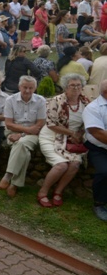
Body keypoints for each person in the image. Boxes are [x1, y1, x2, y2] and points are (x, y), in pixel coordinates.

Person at [37, 74, 91, 208]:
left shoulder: (86, 102)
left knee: (75, 163)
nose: (76, 88)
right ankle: (43, 192)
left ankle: (58, 192)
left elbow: (89, 123)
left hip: (71, 140)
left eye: (78, 85)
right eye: (72, 85)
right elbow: (51, 124)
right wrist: (72, 133)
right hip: (51, 136)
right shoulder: (56, 101)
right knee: (61, 165)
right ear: (65, 87)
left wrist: (79, 133)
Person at [0, 76, 47, 198]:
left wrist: (22, 134)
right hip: (12, 132)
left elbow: (40, 124)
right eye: (25, 87)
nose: (27, 91)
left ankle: (8, 175)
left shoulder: (41, 101)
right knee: (24, 151)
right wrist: (26, 130)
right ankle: (15, 184)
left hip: (32, 135)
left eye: (31, 88)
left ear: (35, 88)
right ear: (19, 87)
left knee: (21, 144)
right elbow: (8, 124)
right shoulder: (10, 100)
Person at [83, 80, 107, 221]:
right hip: (99, 148)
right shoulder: (93, 108)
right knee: (104, 172)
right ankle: (99, 203)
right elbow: (97, 133)